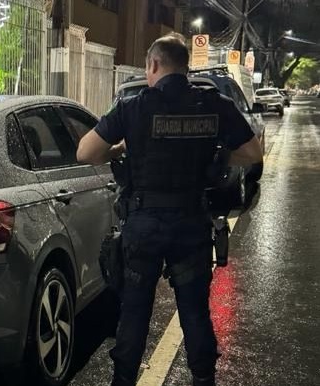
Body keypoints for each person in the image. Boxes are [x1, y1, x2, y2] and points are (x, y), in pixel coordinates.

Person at [76, 33, 263, 386]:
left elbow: (85, 152)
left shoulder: (134, 107)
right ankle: (203, 379)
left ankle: (124, 380)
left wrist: (119, 150)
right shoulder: (213, 103)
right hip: (192, 224)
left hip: (143, 225)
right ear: (186, 67)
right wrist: (216, 155)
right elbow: (252, 153)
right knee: (194, 311)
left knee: (134, 312)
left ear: (153, 65)